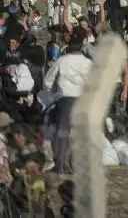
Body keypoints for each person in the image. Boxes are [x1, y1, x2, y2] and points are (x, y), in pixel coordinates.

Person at [42, 28, 92, 173]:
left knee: (63, 134)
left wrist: (51, 93)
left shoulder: (62, 61)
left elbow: (47, 81)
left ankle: (61, 165)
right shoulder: (88, 63)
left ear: (69, 48)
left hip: (65, 101)